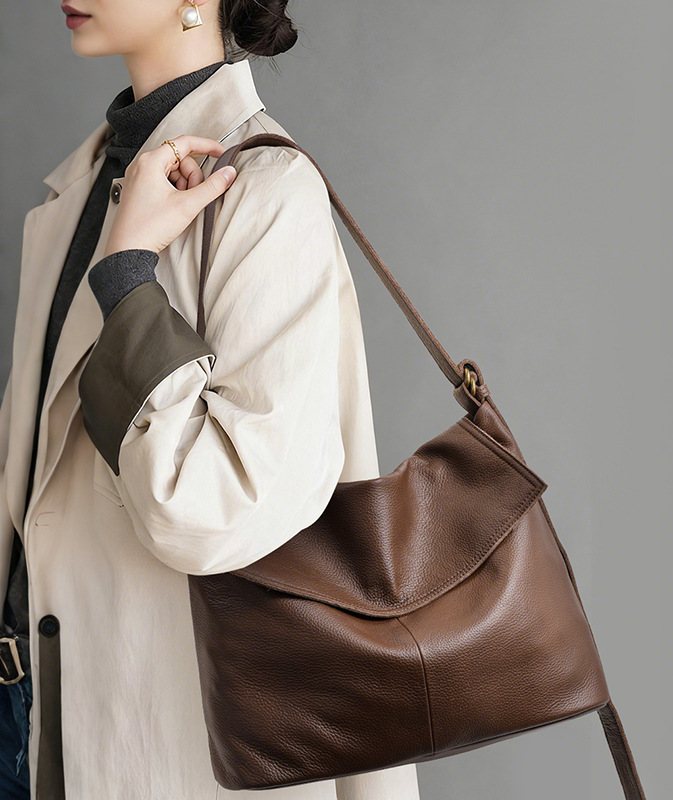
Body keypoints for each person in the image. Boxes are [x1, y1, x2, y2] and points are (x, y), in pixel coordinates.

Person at [0, 1, 423, 798]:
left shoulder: (268, 194)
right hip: (33, 712)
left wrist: (129, 276)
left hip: (158, 740)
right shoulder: (79, 186)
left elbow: (216, 509)